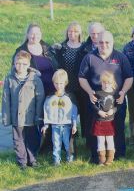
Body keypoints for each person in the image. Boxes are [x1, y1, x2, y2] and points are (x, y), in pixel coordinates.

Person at [79, 31, 133, 162]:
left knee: (118, 127)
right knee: (97, 130)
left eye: (107, 42)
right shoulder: (89, 57)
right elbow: (81, 77)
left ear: (112, 42)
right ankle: (97, 157)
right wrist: (90, 91)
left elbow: (129, 77)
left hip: (116, 101)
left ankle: (119, 155)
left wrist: (123, 92)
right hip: (97, 102)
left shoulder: (120, 57)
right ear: (97, 43)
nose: (104, 45)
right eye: (101, 42)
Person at [13, 23, 58, 154]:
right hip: (32, 91)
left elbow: (56, 63)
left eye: (37, 34)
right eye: (32, 33)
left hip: (51, 89)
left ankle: (49, 146)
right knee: (36, 118)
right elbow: (15, 69)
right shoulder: (21, 50)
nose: (34, 36)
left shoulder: (47, 48)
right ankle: (34, 149)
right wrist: (31, 70)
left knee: (50, 117)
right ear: (27, 34)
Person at [2, 51, 45, 169]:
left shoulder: (35, 79)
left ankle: (32, 159)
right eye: (18, 63)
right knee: (18, 139)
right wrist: (6, 117)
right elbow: (6, 99)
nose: (20, 66)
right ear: (14, 63)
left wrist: (39, 115)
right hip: (16, 116)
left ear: (28, 64)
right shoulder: (9, 78)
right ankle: (22, 161)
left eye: (24, 64)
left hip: (31, 116)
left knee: (33, 138)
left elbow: (39, 99)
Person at [53, 21, 87, 154]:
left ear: (80, 33)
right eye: (70, 31)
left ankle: (86, 142)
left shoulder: (84, 48)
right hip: (66, 88)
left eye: (75, 31)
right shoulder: (61, 48)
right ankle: (69, 147)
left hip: (82, 87)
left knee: (83, 115)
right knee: (67, 116)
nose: (72, 34)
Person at [41, 69, 78, 166]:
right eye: (56, 83)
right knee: (56, 144)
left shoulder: (70, 96)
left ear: (65, 83)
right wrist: (46, 125)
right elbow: (47, 111)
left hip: (67, 126)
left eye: (61, 83)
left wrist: (74, 124)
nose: (58, 86)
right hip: (54, 126)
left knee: (67, 143)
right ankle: (56, 160)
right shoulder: (50, 97)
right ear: (53, 83)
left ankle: (70, 158)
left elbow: (73, 111)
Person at [79, 22, 105, 151]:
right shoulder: (84, 48)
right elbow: (80, 72)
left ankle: (107, 145)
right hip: (89, 89)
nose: (95, 36)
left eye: (98, 33)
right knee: (90, 118)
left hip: (106, 90)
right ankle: (91, 146)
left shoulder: (108, 45)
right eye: (93, 33)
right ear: (89, 34)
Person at [91, 71, 119, 166]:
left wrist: (113, 111)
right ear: (101, 82)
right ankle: (101, 160)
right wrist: (99, 111)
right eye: (104, 82)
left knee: (110, 140)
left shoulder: (115, 93)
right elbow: (92, 104)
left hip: (110, 122)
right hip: (99, 122)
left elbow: (118, 105)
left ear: (113, 83)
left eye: (109, 83)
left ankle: (110, 160)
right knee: (100, 141)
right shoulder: (97, 92)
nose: (106, 85)